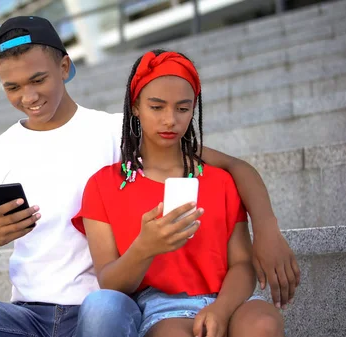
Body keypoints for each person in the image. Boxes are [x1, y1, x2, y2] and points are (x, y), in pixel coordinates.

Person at [0, 16, 298, 337]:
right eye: (12, 87)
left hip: (105, 307)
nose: (28, 97)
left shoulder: (119, 131)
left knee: (103, 307)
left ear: (65, 66)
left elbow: (232, 167)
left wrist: (266, 229)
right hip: (27, 317)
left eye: (38, 79)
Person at [71, 49, 285, 337]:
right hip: (162, 306)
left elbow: (243, 265)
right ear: (135, 107)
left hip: (230, 299)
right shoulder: (104, 185)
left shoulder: (220, 180)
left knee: (263, 324)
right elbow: (109, 282)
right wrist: (145, 247)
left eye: (182, 109)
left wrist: (220, 309)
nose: (170, 120)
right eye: (156, 107)